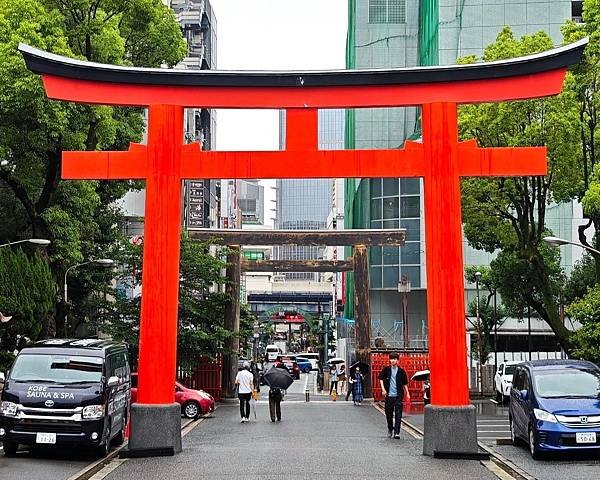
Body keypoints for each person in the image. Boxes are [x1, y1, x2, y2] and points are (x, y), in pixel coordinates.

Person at [378, 353, 410, 438]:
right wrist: (383, 389)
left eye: (395, 359)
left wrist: (407, 393)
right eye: (391, 359)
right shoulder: (386, 370)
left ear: (398, 360)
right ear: (389, 360)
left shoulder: (401, 371)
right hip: (389, 395)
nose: (393, 361)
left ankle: (397, 432)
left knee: (398, 414)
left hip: (398, 395)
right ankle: (390, 428)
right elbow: (381, 378)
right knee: (388, 413)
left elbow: (404, 384)